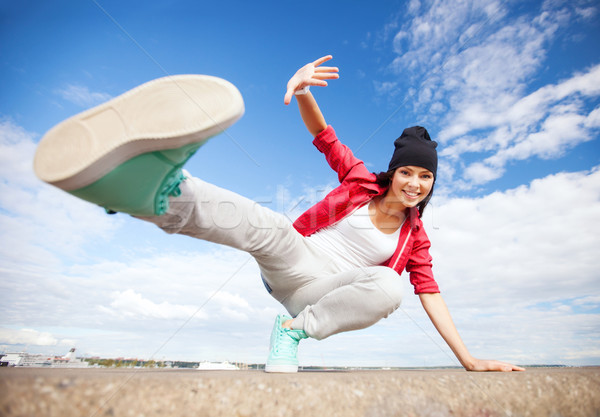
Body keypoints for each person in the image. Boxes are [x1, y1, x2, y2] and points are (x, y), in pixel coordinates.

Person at [33, 55, 524, 373]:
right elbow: (325, 137)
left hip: (321, 296)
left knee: (389, 287)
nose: (416, 183)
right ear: (393, 172)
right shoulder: (358, 181)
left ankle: (290, 333)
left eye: (426, 177)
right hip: (294, 260)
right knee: (269, 227)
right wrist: (303, 89)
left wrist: (468, 359)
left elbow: (430, 295)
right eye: (408, 172)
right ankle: (152, 191)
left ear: (432, 184)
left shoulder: (415, 239)